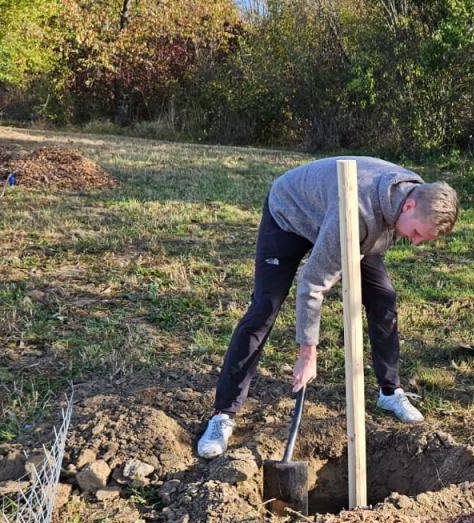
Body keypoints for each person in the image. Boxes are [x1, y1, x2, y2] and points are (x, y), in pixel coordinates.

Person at [197, 156, 459, 459]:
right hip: (292, 213)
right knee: (264, 309)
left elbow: (360, 247)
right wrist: (307, 354)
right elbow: (311, 284)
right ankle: (223, 414)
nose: (414, 242)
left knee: (383, 297)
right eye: (416, 233)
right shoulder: (359, 212)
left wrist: (344, 265)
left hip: (344, 222)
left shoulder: (413, 193)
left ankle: (390, 392)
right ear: (409, 206)